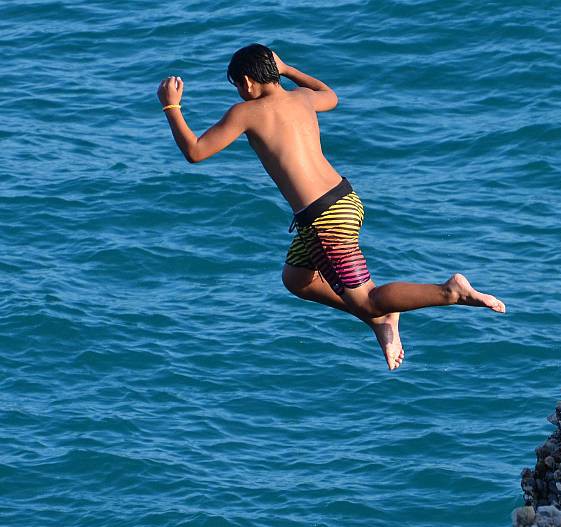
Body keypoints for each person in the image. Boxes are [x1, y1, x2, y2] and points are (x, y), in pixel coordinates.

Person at [156, 44, 505, 370]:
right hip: (344, 201)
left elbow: (195, 152)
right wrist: (289, 68)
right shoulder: (301, 99)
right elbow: (331, 96)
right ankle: (379, 320)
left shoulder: (246, 112)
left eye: (236, 85)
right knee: (297, 280)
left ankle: (448, 292)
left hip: (324, 220)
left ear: (246, 82)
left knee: (367, 299)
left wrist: (171, 107)